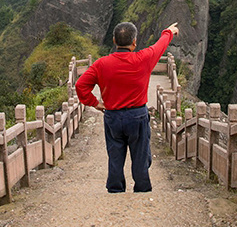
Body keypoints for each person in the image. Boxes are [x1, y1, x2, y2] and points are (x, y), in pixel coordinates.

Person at [75, 21, 179, 193]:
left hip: (113, 116)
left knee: (115, 155)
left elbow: (81, 85)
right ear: (134, 42)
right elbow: (160, 46)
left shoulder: (101, 64)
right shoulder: (143, 58)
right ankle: (142, 189)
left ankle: (115, 190)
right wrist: (169, 31)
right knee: (140, 156)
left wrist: (96, 104)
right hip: (137, 116)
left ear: (114, 40)